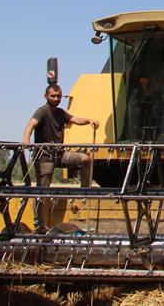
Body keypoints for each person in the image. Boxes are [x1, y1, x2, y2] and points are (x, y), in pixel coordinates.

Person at [22, 84, 100, 232]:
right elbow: (31, 124)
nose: (56, 99)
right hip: (45, 156)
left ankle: (85, 191)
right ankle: (39, 225)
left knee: (85, 159)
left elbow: (75, 119)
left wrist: (89, 120)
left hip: (59, 154)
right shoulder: (42, 111)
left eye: (58, 96)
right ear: (46, 96)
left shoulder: (60, 113)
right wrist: (26, 140)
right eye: (53, 96)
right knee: (41, 191)